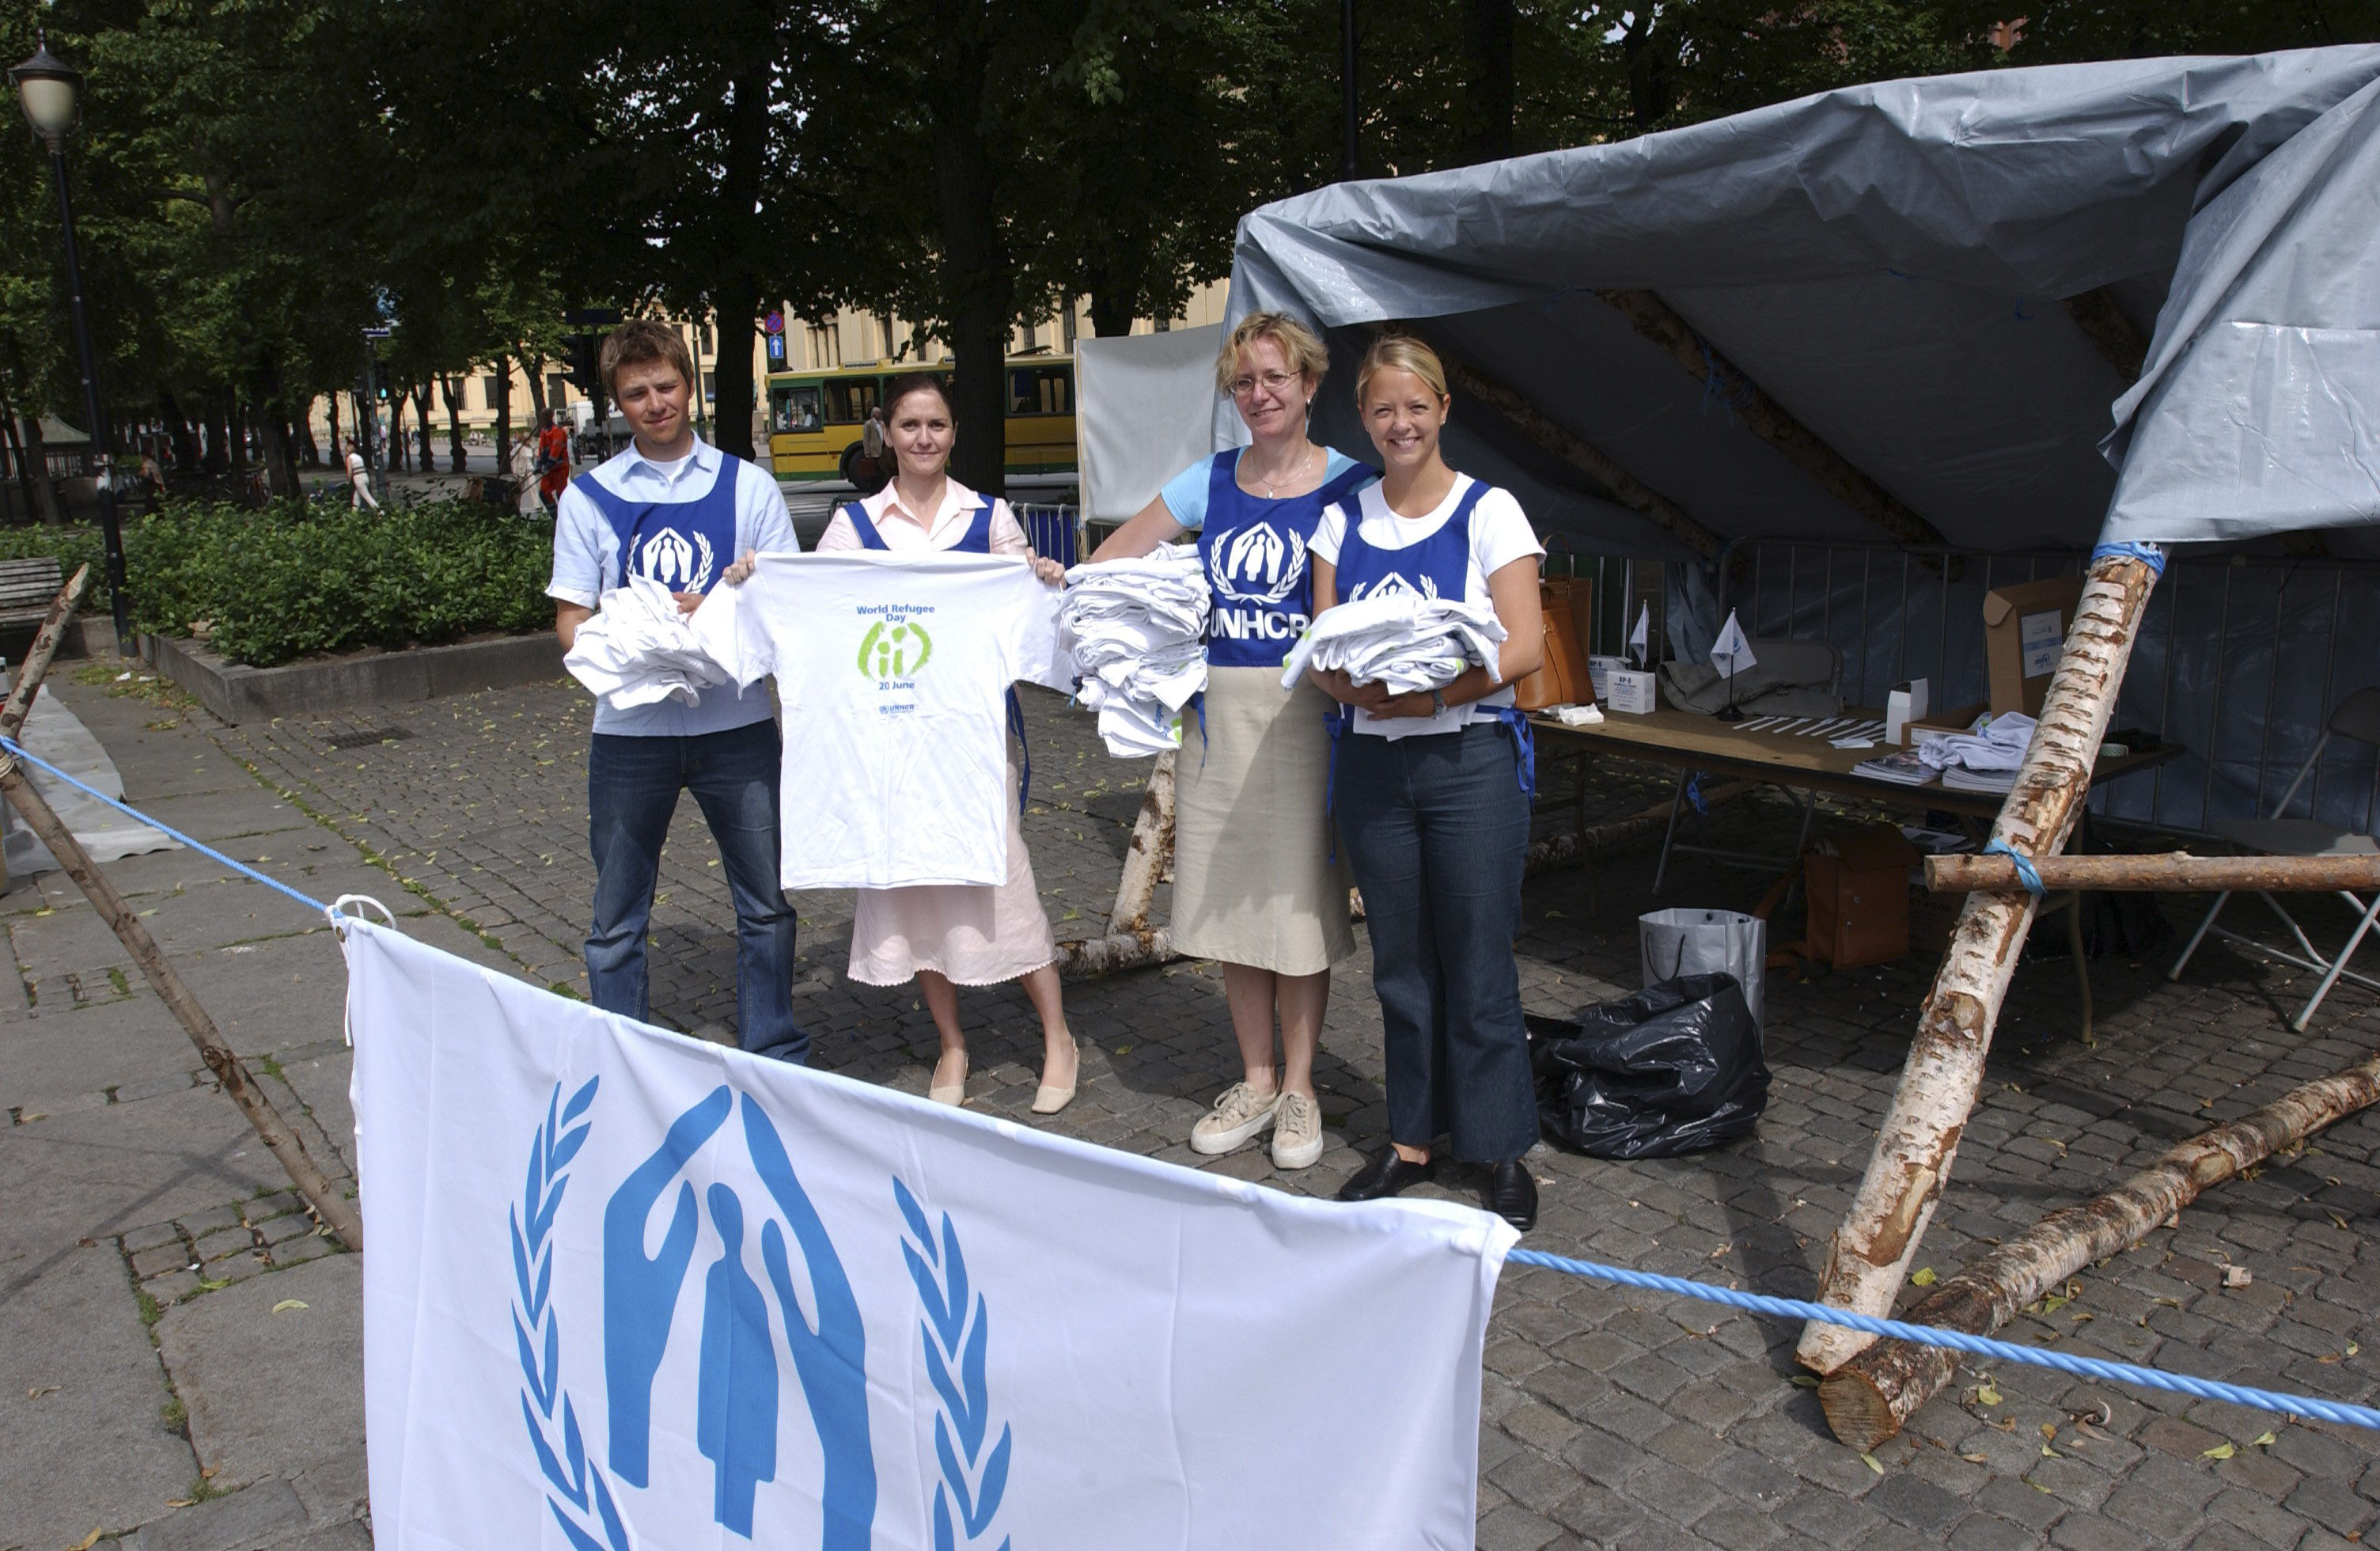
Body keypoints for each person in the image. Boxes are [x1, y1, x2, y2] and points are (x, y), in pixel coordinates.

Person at [742, 372, 1080, 1113]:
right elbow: (811, 601)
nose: (923, 439)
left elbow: (1029, 611)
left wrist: (1042, 579)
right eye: (909, 426)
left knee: (1003, 877)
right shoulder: (853, 526)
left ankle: (1057, 1034)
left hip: (972, 738)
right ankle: (951, 1042)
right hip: (885, 745)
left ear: (954, 434)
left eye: (936, 425)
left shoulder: (988, 519)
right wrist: (756, 580)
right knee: (912, 881)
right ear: (885, 434)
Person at [1087, 313, 1378, 1171]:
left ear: (1310, 384)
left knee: (1295, 905)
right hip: (1214, 712)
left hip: (1306, 715)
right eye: (1244, 382)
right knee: (1236, 905)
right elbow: (1114, 560)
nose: (1259, 395)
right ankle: (1252, 1079)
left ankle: (1300, 1089)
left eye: (1275, 378)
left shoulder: (1350, 483)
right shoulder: (1206, 481)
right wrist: (1063, 585)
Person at [1309, 333, 1546, 1232]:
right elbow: (1323, 642)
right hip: (1373, 763)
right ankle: (1410, 1137)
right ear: (1363, 419)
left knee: (1478, 959)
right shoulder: (1344, 516)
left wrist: (1436, 694)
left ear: (1442, 409)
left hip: (1468, 760)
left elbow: (1523, 645)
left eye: (1415, 405)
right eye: (1381, 409)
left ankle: (1494, 1145)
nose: (1399, 422)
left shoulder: (1490, 511)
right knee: (1401, 963)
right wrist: (1353, 688)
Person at [547, 318, 808, 1064]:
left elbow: (783, 603)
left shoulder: (746, 486)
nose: (655, 403)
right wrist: (633, 636)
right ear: (617, 404)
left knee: (765, 903)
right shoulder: (589, 499)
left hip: (737, 725)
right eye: (637, 394)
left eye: (666, 386)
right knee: (617, 914)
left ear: (689, 387)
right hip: (630, 737)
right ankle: (622, 1055)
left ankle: (773, 1048)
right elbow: (571, 622)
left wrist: (713, 612)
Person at [537, 409, 572, 514]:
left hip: (560, 469)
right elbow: (541, 450)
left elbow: (555, 449)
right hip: (550, 470)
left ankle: (565, 516)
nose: (544, 417)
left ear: (552, 416)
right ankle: (556, 516)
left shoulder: (557, 431)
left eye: (547, 415)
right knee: (543, 493)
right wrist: (538, 464)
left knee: (561, 495)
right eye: (543, 415)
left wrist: (549, 464)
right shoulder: (543, 432)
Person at [509, 432, 542, 518]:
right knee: (520, 490)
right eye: (528, 440)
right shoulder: (519, 447)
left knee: (533, 486)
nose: (529, 441)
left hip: (530, 469)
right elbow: (515, 460)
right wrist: (514, 471)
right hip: (521, 470)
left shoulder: (530, 448)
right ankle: (517, 506)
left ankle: (536, 505)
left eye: (529, 440)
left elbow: (533, 459)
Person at [343, 438, 380, 512]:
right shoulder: (359, 457)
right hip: (365, 477)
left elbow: (349, 471)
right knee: (356, 498)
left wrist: (348, 481)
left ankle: (379, 511)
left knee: (367, 496)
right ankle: (354, 513)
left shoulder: (349, 458)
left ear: (347, 451)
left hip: (358, 479)